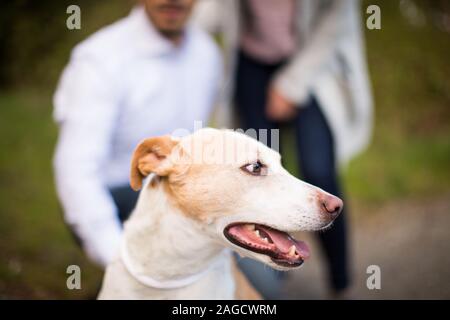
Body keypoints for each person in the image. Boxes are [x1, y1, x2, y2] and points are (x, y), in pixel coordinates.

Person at [192, 0, 373, 298]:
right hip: (252, 64)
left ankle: (341, 283)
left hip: (311, 64)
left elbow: (336, 21)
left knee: (320, 172)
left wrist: (291, 85)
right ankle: (270, 281)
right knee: (255, 178)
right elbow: (207, 11)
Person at [53, 0, 222, 268]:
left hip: (183, 195)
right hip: (120, 196)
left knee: (261, 285)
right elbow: (77, 170)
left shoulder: (207, 53)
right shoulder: (99, 59)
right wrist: (119, 260)